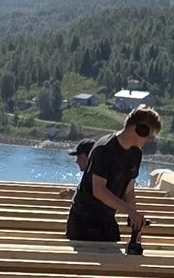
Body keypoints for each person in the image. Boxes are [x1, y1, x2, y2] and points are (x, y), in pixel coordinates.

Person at [66, 107, 161, 253]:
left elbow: (129, 189)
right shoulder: (105, 148)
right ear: (139, 129)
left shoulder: (136, 153)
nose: (149, 140)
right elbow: (99, 190)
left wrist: (135, 221)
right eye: (149, 135)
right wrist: (129, 211)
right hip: (84, 220)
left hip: (107, 219)